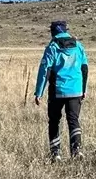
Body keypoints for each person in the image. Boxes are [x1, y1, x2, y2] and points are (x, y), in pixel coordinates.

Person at [33, 21, 88, 161]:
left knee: (54, 121)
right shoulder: (78, 45)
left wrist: (39, 92)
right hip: (76, 90)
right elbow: (84, 68)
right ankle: (77, 150)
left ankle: (55, 153)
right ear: (65, 30)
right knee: (73, 120)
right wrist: (84, 89)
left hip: (57, 90)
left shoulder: (52, 47)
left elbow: (45, 70)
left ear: (53, 32)